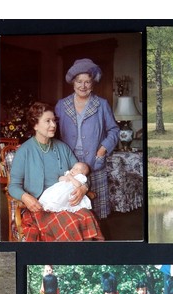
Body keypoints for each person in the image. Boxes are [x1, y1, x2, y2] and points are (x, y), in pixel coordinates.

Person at [8, 101, 103, 241]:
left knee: (86, 216)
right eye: (48, 121)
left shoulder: (62, 147)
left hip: (66, 203)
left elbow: (82, 172)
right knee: (70, 223)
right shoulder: (24, 151)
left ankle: (82, 259)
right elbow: (13, 185)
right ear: (35, 124)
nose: (53, 125)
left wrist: (84, 188)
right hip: (41, 207)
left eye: (54, 120)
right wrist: (25, 197)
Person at [55, 58, 119, 220]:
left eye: (87, 82)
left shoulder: (102, 104)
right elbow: (53, 134)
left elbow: (114, 130)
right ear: (73, 82)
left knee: (96, 212)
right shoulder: (61, 105)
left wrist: (102, 149)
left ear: (93, 83)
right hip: (70, 167)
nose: (83, 86)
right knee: (71, 210)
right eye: (79, 81)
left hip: (95, 163)